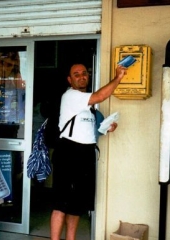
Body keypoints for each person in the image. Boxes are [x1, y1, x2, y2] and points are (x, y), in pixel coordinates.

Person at [50, 63, 126, 240]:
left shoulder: (87, 104)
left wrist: (106, 128)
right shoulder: (71, 96)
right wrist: (118, 78)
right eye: (76, 74)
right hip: (68, 152)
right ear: (70, 79)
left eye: (84, 73)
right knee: (61, 203)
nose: (81, 76)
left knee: (76, 205)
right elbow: (100, 96)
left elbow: (87, 131)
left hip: (85, 154)